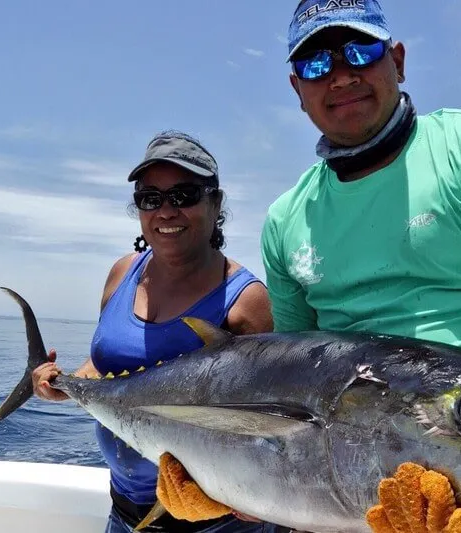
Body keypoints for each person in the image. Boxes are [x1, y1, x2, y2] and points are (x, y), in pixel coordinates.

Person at [258, 1, 461, 532]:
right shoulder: (285, 219)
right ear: (297, 90)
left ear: (398, 60)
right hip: (341, 510)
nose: (342, 75)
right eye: (317, 64)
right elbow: (286, 379)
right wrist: (226, 481)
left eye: (360, 51)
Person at [31, 130, 285, 533]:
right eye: (151, 198)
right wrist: (63, 383)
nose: (166, 211)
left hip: (214, 524)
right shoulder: (121, 273)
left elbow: (268, 425)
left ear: (215, 203)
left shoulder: (246, 299)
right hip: (124, 512)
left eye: (184, 195)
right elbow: (104, 367)